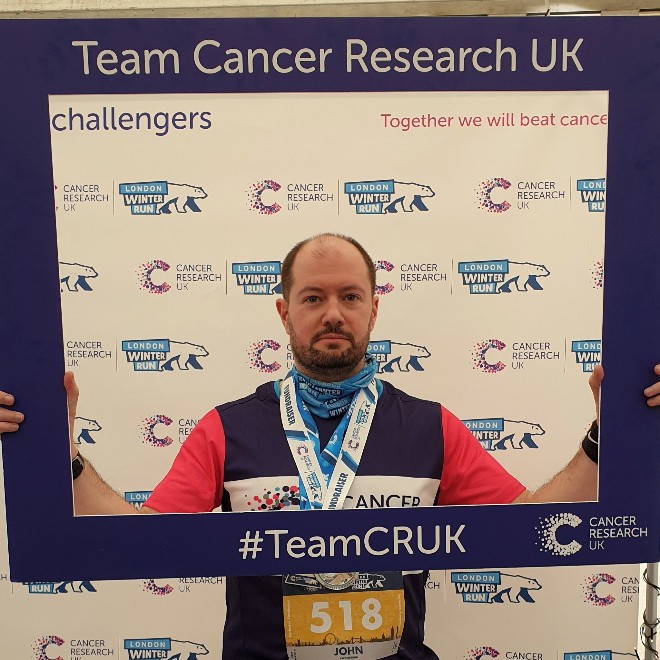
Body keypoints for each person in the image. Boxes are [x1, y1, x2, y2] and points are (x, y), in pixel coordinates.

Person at [1, 233, 659, 660]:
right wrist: (59, 457)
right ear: (284, 312)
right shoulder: (227, 428)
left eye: (350, 296)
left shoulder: (431, 427)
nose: (333, 313)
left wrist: (609, 436)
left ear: (374, 307)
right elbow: (140, 541)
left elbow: (532, 527)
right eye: (313, 298)